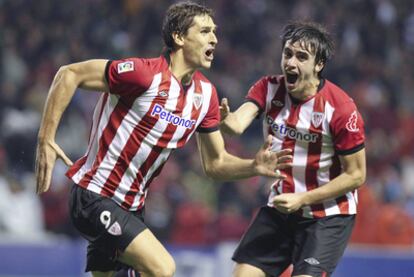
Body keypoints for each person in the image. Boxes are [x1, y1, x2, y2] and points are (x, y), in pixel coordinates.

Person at [34, 2, 292, 277]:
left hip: (132, 208)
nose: (214, 38)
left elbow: (216, 163)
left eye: (214, 32)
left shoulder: (206, 95)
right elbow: (69, 74)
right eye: (205, 31)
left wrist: (253, 166)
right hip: (95, 195)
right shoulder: (143, 74)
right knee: (162, 268)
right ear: (179, 37)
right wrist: (45, 138)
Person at [220, 21, 366, 277]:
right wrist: (224, 120)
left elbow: (356, 175)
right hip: (281, 208)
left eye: (301, 57)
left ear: (319, 65)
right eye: (287, 53)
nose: (290, 63)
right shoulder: (268, 88)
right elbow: (236, 124)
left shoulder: (341, 109)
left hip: (327, 216)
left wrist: (303, 198)